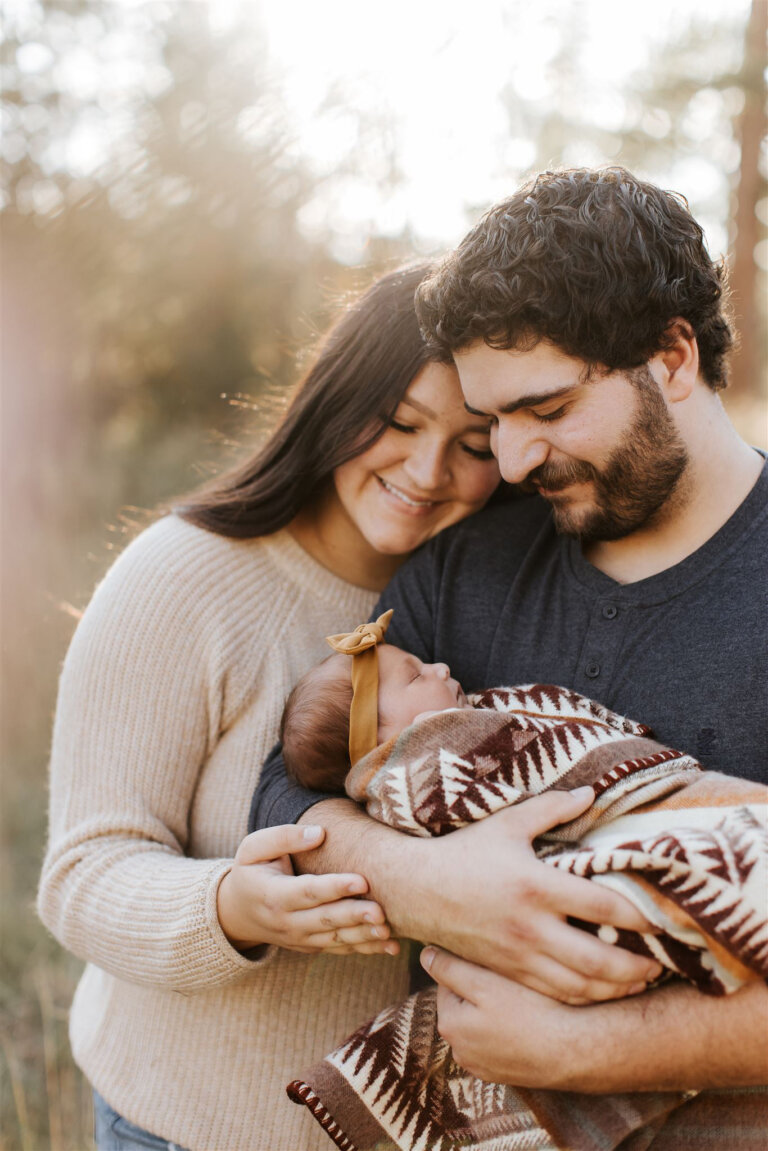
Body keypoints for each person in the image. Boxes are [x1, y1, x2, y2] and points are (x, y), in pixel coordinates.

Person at [251, 168, 768, 1139]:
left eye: (547, 407)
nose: (516, 460)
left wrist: (592, 1051)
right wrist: (429, 885)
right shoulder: (463, 566)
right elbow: (288, 787)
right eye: (494, 421)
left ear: (671, 354)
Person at [36, 262, 508, 1151]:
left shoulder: (477, 601)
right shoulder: (183, 578)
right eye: (400, 422)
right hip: (188, 1127)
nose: (427, 468)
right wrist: (230, 907)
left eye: (475, 445)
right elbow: (83, 874)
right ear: (338, 398)